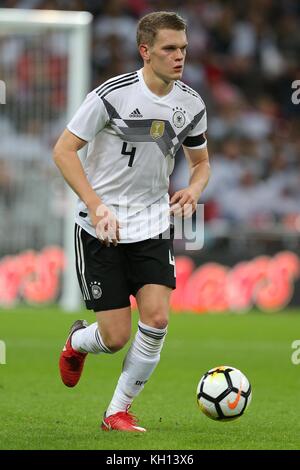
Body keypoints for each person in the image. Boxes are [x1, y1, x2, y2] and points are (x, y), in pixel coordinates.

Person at [53, 11, 210, 433]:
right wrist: (95, 203)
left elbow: (201, 163)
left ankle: (116, 412)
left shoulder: (191, 103)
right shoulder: (111, 95)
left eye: (183, 49)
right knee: (115, 336)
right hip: (100, 226)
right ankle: (77, 342)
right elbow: (64, 151)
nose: (179, 57)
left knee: (157, 319)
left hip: (153, 223)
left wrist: (194, 190)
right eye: (169, 49)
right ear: (145, 51)